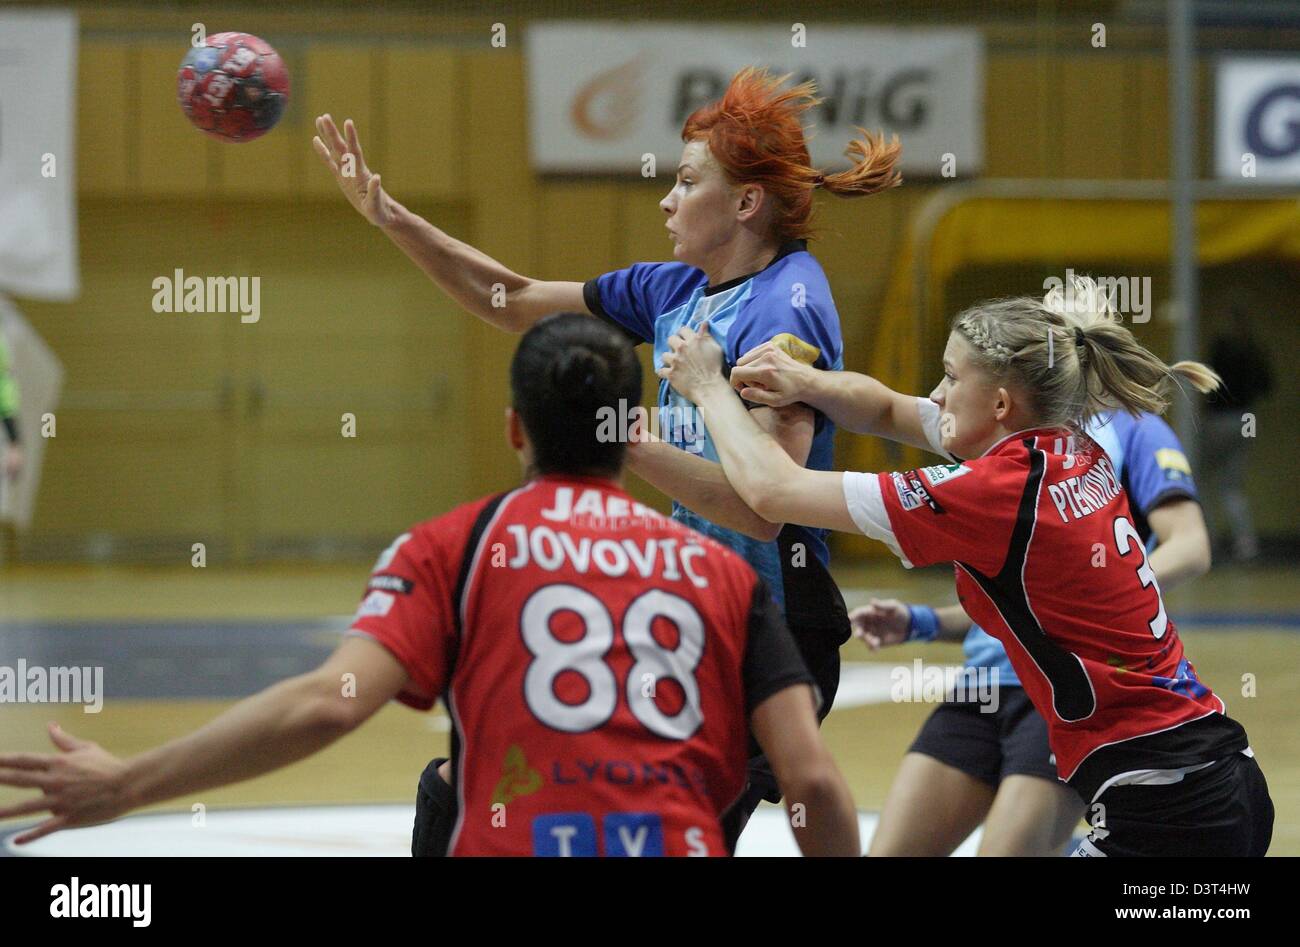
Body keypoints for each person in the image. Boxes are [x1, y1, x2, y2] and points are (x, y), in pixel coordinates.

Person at [0, 315, 859, 857]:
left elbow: (326, 704)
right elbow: (812, 782)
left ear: (516, 427)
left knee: (448, 787)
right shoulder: (718, 574)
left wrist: (128, 784)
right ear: (629, 432)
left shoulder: (458, 547)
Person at [311, 66, 901, 850]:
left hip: (769, 631)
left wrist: (621, 437)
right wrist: (392, 218)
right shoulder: (675, 289)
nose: (667, 197)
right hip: (688, 622)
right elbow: (513, 300)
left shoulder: (783, 309)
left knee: (581, 807)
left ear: (747, 202)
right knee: (467, 786)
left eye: (688, 182)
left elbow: (763, 508)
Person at [658, 276, 1274, 857]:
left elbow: (771, 491)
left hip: (1166, 799)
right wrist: (807, 382)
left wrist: (708, 388)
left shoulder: (990, 494)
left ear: (1001, 402)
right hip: (1210, 772)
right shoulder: (1069, 443)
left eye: (950, 376)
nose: (935, 393)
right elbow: (885, 411)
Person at [854, 407, 1212, 856]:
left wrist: (1107, 593)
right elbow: (1017, 604)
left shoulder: (1130, 431)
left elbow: (1191, 545)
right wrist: (921, 623)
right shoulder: (1002, 436)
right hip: (984, 687)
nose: (943, 396)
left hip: (1064, 696)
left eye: (952, 376)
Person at [1204, 304, 1273, 562]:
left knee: (1202, 477)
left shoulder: (1222, 348)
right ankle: (1246, 543)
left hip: (1221, 417)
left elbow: (1210, 386)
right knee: (1233, 485)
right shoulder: (1254, 349)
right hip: (1248, 417)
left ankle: (1208, 539)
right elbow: (1267, 385)